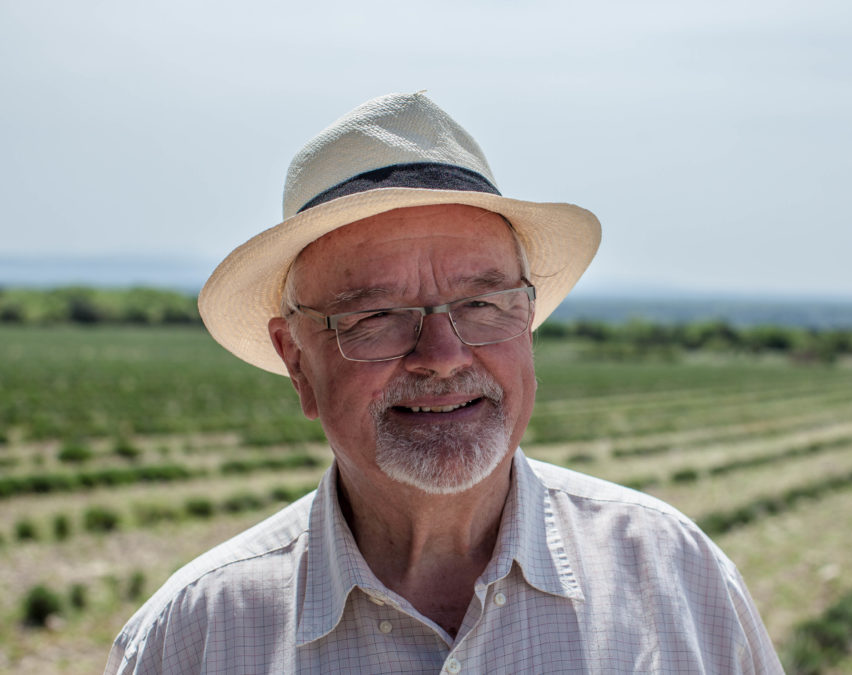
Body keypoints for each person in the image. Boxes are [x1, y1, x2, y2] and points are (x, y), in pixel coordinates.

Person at [105, 92, 783, 674]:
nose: (443, 353)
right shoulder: (193, 638)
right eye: (375, 316)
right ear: (297, 361)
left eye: (483, 303)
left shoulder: (679, 578)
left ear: (528, 324)